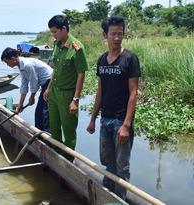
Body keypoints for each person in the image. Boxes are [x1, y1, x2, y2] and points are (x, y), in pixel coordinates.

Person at [86, 16, 141, 200]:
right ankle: (106, 196)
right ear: (105, 35)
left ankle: (119, 200)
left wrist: (126, 125)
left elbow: (133, 94)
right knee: (107, 161)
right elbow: (100, 92)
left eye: (120, 34)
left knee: (122, 166)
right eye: (113, 34)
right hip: (105, 119)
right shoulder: (102, 60)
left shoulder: (130, 59)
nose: (117, 38)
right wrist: (93, 118)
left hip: (120, 120)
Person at [44, 15, 89, 162]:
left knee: (69, 131)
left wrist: (75, 99)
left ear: (64, 29)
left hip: (68, 95)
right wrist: (48, 89)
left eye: (55, 32)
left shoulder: (77, 48)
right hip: (54, 93)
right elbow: (55, 70)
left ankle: (67, 161)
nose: (54, 35)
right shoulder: (57, 45)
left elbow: (81, 75)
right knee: (54, 127)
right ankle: (56, 155)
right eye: (52, 33)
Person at [1, 47, 52, 133]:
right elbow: (24, 85)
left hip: (50, 83)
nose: (7, 65)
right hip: (44, 85)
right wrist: (21, 104)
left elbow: (34, 82)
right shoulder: (21, 66)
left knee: (45, 112)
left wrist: (32, 97)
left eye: (7, 62)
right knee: (38, 113)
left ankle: (47, 139)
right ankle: (39, 136)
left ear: (13, 59)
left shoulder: (27, 65)